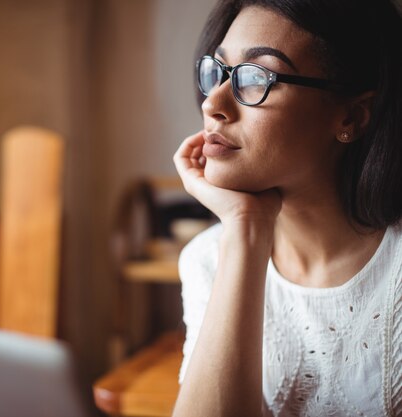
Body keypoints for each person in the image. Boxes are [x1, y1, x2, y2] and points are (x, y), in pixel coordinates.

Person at [171, 0, 402, 415]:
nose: (213, 105)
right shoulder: (205, 261)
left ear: (351, 115)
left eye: (257, 77)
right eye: (218, 72)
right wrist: (245, 229)